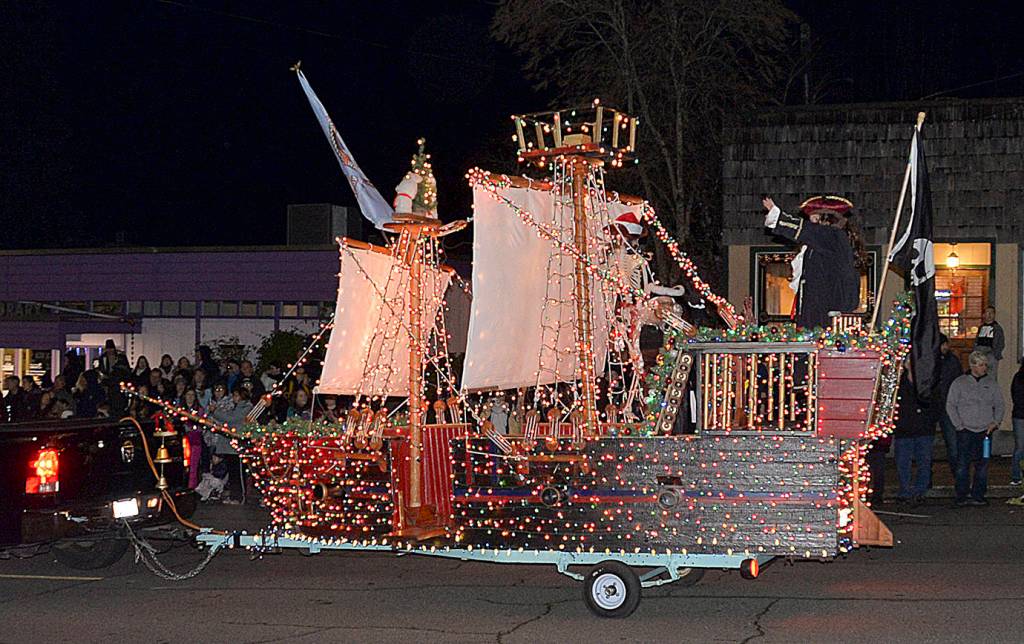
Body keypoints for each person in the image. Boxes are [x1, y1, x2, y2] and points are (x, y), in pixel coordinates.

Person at [760, 195, 866, 329]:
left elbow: (805, 230)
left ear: (825, 218)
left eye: (815, 218)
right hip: (815, 310)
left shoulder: (833, 236)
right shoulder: (819, 243)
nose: (812, 223)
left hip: (827, 311)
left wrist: (777, 216)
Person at [947, 350, 1005, 506]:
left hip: (985, 431)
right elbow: (951, 404)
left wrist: (995, 422)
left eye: (985, 364)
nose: (984, 367)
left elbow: (999, 404)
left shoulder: (991, 384)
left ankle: (978, 495)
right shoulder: (959, 383)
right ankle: (962, 495)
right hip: (965, 430)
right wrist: (959, 425)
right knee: (962, 465)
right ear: (973, 365)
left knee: (983, 465)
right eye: (981, 365)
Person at [936, 334, 963, 477]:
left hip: (948, 404)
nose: (945, 347)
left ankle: (957, 473)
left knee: (953, 443)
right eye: (943, 345)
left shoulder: (952, 361)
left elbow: (958, 380)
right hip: (935, 404)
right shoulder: (932, 360)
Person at [973, 306, 1005, 380]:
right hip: (980, 354)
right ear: (984, 315)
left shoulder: (997, 328)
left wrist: (995, 354)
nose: (989, 315)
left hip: (991, 354)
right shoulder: (981, 328)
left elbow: (1000, 343)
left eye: (991, 313)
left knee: (991, 376)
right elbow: (977, 340)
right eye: (987, 312)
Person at [1010, 357, 1024, 486]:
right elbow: (1018, 397)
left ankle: (1017, 475)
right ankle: (1016, 475)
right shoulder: (1019, 378)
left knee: (1019, 447)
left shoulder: (1018, 377)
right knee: (1020, 447)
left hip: (1019, 415)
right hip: (1020, 416)